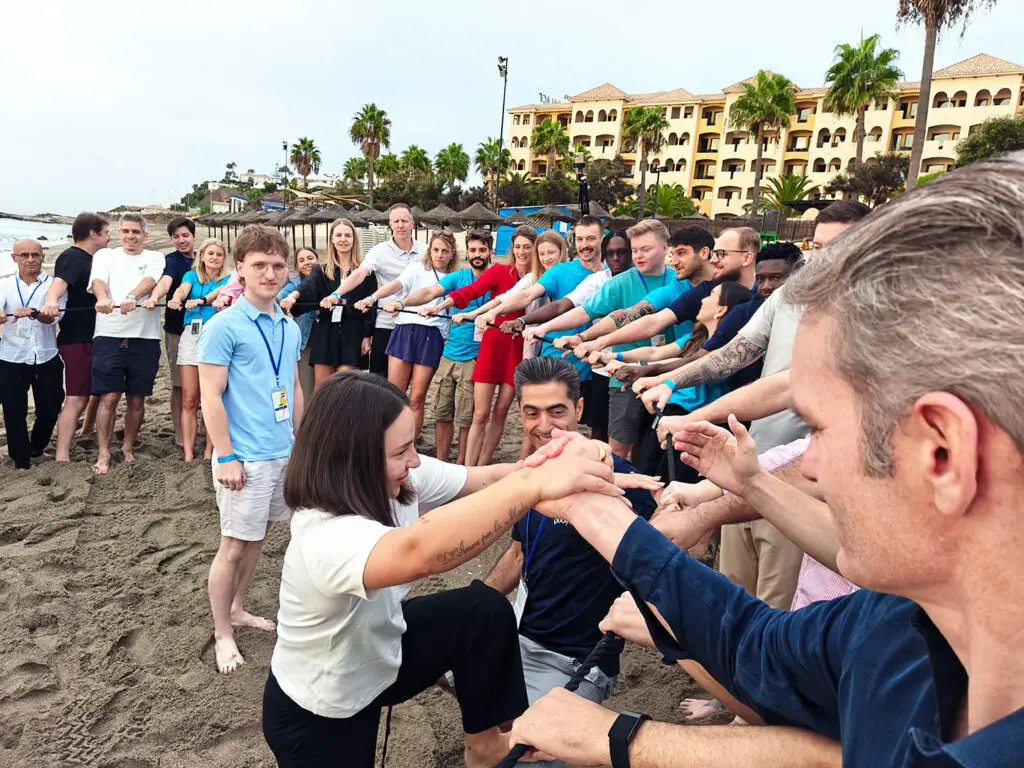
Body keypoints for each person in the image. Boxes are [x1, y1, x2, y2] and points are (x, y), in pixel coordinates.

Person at [509, 155, 1024, 767]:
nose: (810, 467)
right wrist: (598, 515)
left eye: (823, 429)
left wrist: (627, 741)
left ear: (944, 453)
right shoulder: (899, 622)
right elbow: (752, 640)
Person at [260, 370, 621, 768]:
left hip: (383, 651)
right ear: (356, 459)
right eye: (401, 451)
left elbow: (483, 479)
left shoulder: (398, 476)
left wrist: (559, 463)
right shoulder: (323, 534)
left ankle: (489, 745)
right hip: (323, 708)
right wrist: (533, 489)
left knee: (482, 610)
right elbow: (421, 552)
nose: (415, 460)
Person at [483, 357, 659, 768]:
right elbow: (519, 553)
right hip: (515, 635)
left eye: (557, 411)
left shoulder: (622, 483)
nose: (544, 425)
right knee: (426, 653)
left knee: (530, 755)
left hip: (575, 658)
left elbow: (670, 547)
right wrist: (477, 606)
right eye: (532, 412)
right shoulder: (531, 474)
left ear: (579, 410)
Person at [197, 224, 305, 675]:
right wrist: (225, 454)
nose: (270, 272)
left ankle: (238, 607)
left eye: (278, 265)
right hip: (245, 455)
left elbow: (294, 387)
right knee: (233, 545)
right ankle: (223, 631)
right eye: (259, 265)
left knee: (258, 537)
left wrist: (304, 445)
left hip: (283, 449)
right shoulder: (224, 326)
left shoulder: (287, 324)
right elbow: (210, 395)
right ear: (239, 268)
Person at [544, 220, 678, 462]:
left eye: (646, 249)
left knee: (652, 448)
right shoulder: (620, 282)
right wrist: (548, 328)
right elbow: (586, 311)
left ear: (666, 248)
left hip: (670, 373)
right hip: (625, 375)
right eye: (635, 250)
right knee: (618, 448)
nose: (638, 255)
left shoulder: (679, 280)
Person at [423, 226, 537, 466]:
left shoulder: (541, 277)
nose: (522, 252)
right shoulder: (499, 271)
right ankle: (468, 469)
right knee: (480, 413)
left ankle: (482, 464)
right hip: (492, 345)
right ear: (511, 248)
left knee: (501, 412)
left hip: (518, 349)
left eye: (527, 247)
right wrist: (442, 306)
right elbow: (471, 291)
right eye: (517, 247)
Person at [633, 282, 755, 483]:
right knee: (649, 474)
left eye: (711, 295)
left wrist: (651, 375)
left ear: (721, 310)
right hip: (668, 413)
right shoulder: (698, 335)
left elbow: (695, 365)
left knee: (669, 482)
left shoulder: (730, 349)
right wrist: (621, 359)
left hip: (692, 421)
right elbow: (661, 356)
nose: (702, 300)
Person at [354, 230, 459, 438]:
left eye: (445, 251)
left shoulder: (455, 277)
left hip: (432, 335)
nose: (439, 255)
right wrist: (372, 298)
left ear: (452, 253)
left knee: (418, 397)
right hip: (404, 331)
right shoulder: (416, 268)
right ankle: (389, 438)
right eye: (436, 249)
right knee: (395, 393)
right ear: (429, 250)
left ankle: (411, 441)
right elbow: (396, 285)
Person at [87, 213, 166, 475]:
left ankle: (128, 447)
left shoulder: (155, 257)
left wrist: (132, 296)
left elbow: (151, 281)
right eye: (125, 231)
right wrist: (102, 297)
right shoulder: (104, 256)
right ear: (119, 234)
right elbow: (98, 281)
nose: (130, 236)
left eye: (135, 232)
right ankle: (103, 452)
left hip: (144, 337)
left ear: (144, 234)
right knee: (108, 396)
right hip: (109, 334)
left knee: (136, 399)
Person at [324, 203, 425, 375]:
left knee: (412, 388)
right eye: (396, 221)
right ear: (390, 224)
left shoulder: (426, 251)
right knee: (379, 381)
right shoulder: (378, 251)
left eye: (404, 220)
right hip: (385, 324)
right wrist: (337, 293)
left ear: (412, 223)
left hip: (417, 324)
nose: (400, 225)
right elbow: (359, 274)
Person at [40, 212, 109, 461]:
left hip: (97, 336)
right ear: (93, 233)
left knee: (97, 392)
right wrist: (50, 301)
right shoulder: (72, 257)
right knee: (76, 398)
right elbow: (59, 284)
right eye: (106, 232)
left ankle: (86, 430)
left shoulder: (95, 259)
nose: (110, 237)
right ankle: (62, 455)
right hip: (77, 338)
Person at [280, 219, 376, 387]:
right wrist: (293, 297)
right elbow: (307, 286)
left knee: (344, 389)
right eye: (338, 235)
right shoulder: (322, 270)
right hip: (325, 332)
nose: (343, 239)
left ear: (354, 239)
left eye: (348, 235)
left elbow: (372, 304)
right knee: (322, 390)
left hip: (353, 333)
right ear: (332, 239)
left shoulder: (365, 271)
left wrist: (367, 336)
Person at [0, 240, 65, 469]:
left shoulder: (54, 286)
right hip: (11, 356)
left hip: (46, 355)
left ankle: (36, 447)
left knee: (50, 407)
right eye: (24, 255)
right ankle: (20, 458)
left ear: (42, 256)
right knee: (13, 409)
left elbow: (53, 318)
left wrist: (36, 313)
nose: (30, 260)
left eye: (35, 255)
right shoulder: (5, 285)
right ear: (14, 258)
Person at [165, 238, 231, 462]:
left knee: (213, 397)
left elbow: (220, 293)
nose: (214, 257)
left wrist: (201, 300)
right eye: (210, 253)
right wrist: (176, 298)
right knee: (189, 398)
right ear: (201, 256)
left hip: (216, 337)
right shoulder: (191, 276)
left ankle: (209, 450)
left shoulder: (229, 279)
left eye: (219, 254)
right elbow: (183, 290)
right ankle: (188, 452)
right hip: (191, 337)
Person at [154, 216, 197, 446]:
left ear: (193, 236)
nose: (181, 241)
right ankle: (180, 433)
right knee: (180, 384)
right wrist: (156, 297)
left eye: (185, 235)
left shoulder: (201, 259)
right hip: (177, 330)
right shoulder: (171, 261)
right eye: (176, 237)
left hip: (205, 331)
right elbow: (166, 282)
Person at [277, 246, 318, 404]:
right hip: (305, 344)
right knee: (306, 388)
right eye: (301, 260)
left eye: (310, 258)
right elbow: (279, 297)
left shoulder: (327, 280)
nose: (307, 262)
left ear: (318, 260)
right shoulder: (294, 283)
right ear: (297, 266)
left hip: (327, 342)